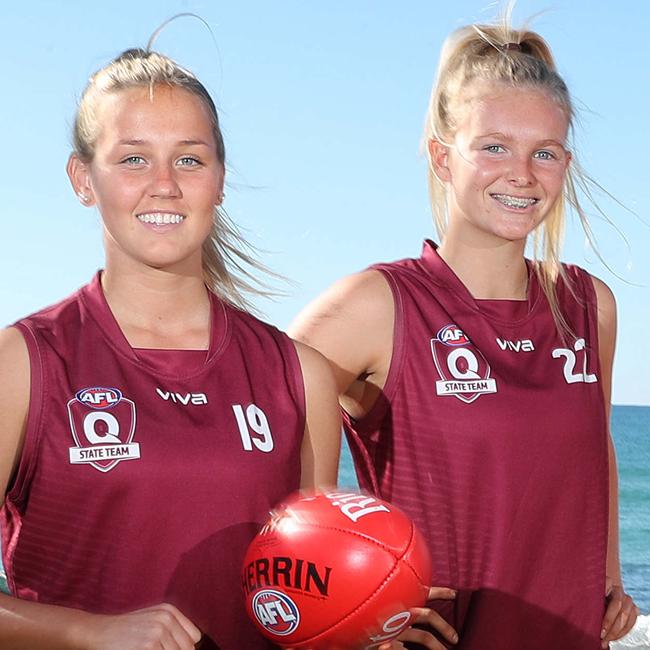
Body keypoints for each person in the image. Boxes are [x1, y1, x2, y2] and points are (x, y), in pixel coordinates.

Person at [289, 18, 640, 650]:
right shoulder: (379, 305)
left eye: (545, 152)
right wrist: (338, 591)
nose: (522, 174)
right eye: (495, 147)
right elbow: (259, 426)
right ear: (442, 155)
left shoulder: (589, 306)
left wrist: (610, 571)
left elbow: (597, 449)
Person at [0, 46, 344, 649]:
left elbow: (312, 595)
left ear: (219, 180)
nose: (164, 185)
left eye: (189, 159)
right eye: (134, 159)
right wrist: (86, 633)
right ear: (84, 179)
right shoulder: (25, 365)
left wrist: (367, 615)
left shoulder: (298, 374)